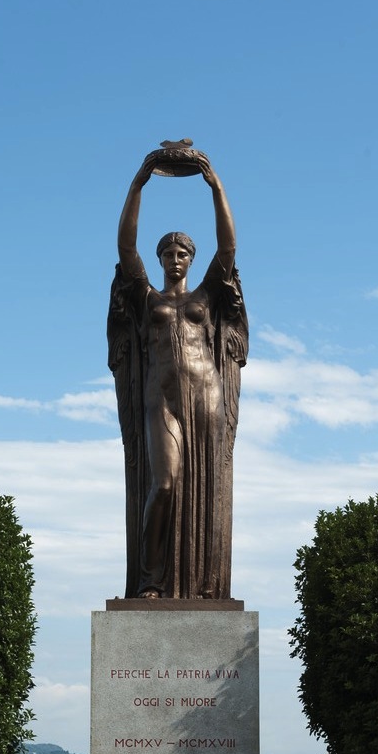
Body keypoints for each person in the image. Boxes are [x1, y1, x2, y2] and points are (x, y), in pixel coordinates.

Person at [108, 150, 248, 600]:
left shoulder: (205, 297)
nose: (174, 258)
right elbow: (126, 248)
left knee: (206, 491)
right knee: (164, 486)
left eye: (182, 252)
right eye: (167, 252)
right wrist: (139, 184)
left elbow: (228, 247)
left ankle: (205, 585)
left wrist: (215, 186)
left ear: (191, 259)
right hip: (161, 399)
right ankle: (151, 581)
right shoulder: (148, 299)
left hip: (205, 394)